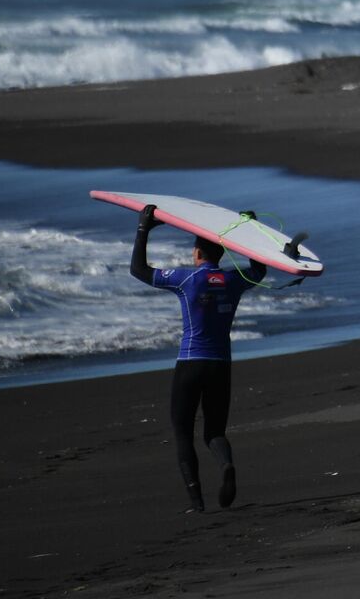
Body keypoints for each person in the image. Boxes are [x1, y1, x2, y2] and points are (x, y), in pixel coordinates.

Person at [130, 204, 266, 512]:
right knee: (214, 431)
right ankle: (226, 465)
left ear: (197, 253)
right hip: (220, 366)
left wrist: (143, 229)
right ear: (219, 254)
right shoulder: (234, 281)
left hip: (190, 364)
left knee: (182, 433)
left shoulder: (186, 280)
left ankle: (196, 503)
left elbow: (138, 270)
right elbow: (259, 270)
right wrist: (250, 232)